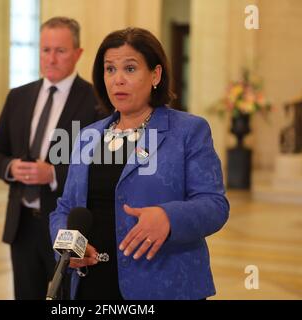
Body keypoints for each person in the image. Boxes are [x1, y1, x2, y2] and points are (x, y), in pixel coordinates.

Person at [49, 27, 230, 300]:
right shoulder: (89, 135)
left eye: (130, 69)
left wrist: (168, 218)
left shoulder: (188, 131)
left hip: (163, 285)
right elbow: (65, 206)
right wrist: (67, 247)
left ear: (155, 75)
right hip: (92, 285)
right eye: (110, 69)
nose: (117, 80)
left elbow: (215, 205)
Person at [0, 17, 101, 300]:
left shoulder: (96, 101)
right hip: (22, 223)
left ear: (78, 53)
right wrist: (11, 167)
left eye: (60, 51)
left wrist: (52, 174)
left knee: (66, 297)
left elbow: (99, 166)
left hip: (64, 224)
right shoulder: (18, 96)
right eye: (45, 50)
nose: (51, 59)